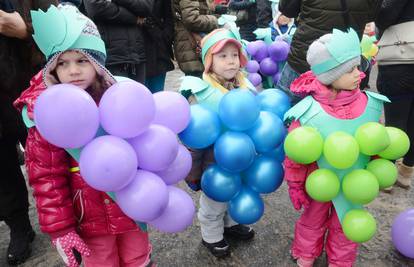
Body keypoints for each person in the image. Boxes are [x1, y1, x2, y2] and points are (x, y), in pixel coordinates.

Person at [14, 4, 152, 267]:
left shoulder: (118, 99)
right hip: (87, 219)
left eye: (82, 61)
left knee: (138, 258)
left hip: (128, 208)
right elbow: (47, 177)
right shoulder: (47, 115)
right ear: (52, 70)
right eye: (63, 63)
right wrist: (61, 228)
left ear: (97, 64)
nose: (73, 71)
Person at [283, 28, 389, 267]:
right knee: (313, 218)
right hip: (318, 181)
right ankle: (306, 252)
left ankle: (340, 261)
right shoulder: (307, 111)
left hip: (354, 182)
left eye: (358, 66)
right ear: (331, 75)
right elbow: (296, 155)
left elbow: (374, 141)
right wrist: (296, 184)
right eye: (350, 69)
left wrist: (376, 164)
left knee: (346, 222)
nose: (359, 74)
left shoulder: (368, 104)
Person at [178, 28, 256, 258]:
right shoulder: (201, 94)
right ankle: (211, 235)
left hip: (241, 159)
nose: (231, 62)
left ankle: (230, 225)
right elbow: (195, 140)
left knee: (234, 195)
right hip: (213, 164)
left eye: (234, 55)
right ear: (209, 62)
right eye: (223, 56)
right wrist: (193, 173)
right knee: (214, 204)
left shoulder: (246, 86)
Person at [0, 0, 56, 265]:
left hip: (29, 86)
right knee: (2, 167)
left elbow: (59, 29)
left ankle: (63, 220)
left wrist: (25, 30)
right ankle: (19, 226)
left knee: (48, 157)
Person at [277, 0, 382, 104]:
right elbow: (372, 14)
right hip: (345, 60)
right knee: (341, 113)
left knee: (286, 108)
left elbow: (287, 9)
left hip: (305, 59)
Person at [375, 0, 414, 190]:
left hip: (401, 61)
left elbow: (385, 17)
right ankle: (406, 172)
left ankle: (387, 174)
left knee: (395, 122)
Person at [83, 0, 154, 84]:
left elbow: (145, 7)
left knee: (137, 95)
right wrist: (134, 18)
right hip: (111, 56)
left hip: (137, 54)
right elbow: (96, 8)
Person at [172, 0, 219, 77]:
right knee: (199, 82)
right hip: (192, 44)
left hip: (190, 43)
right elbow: (192, 20)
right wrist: (216, 20)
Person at [141, 0, 175, 93]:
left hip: (158, 48)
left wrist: (165, 36)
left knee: (157, 93)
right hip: (137, 46)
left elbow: (169, 17)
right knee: (142, 93)